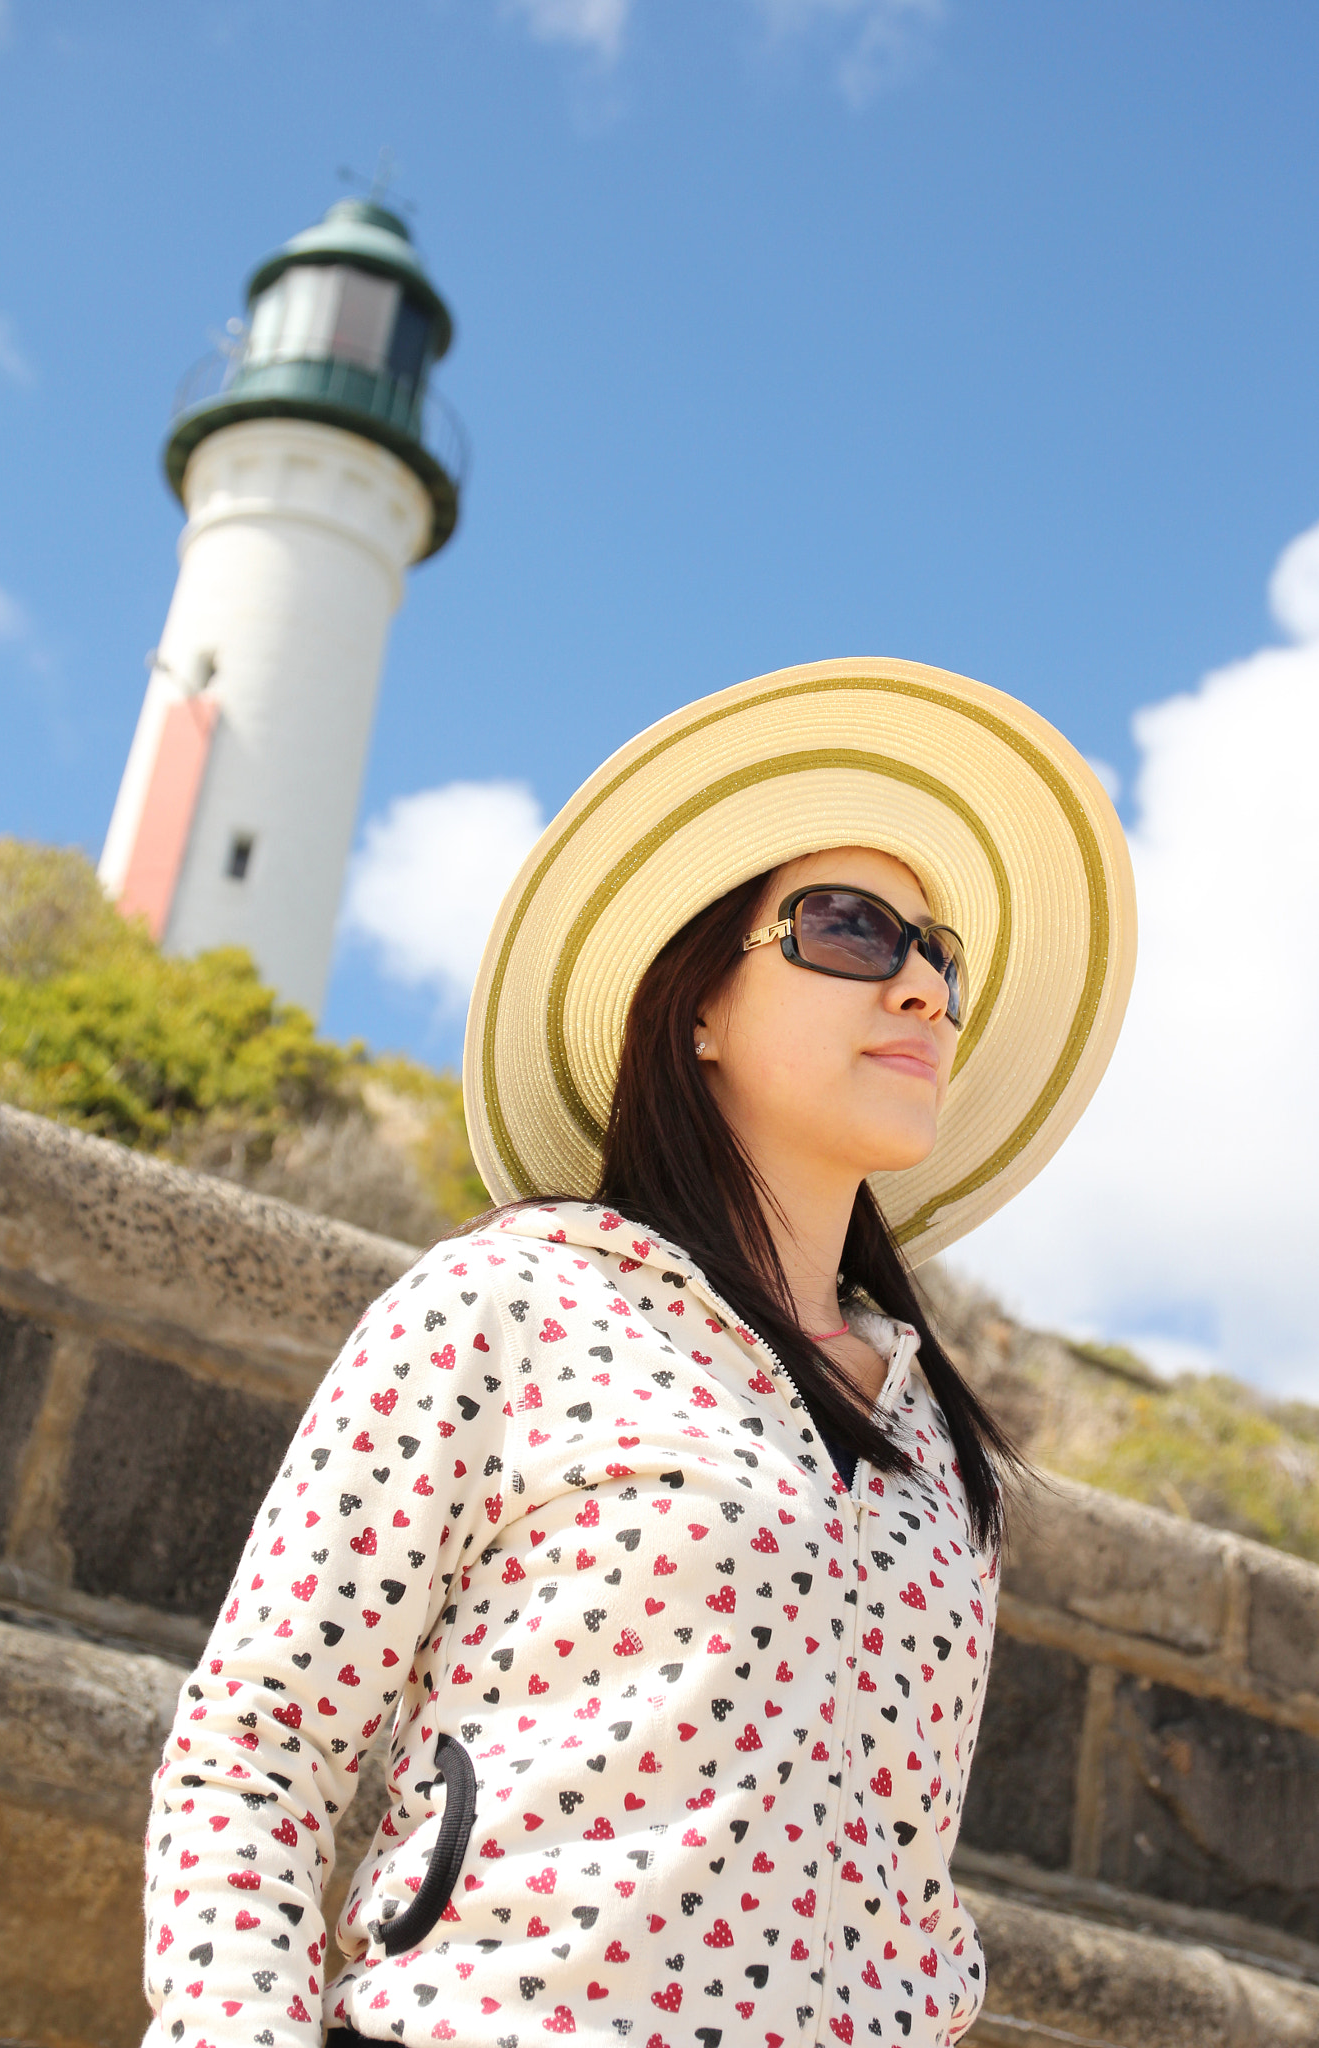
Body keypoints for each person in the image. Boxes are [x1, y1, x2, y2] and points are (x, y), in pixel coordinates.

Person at [142, 658, 1136, 2048]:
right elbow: (259, 1746)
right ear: (696, 1007)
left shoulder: (931, 1441)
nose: (920, 985)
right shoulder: (512, 1302)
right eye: (849, 929)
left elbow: (912, 1896)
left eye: (938, 955)